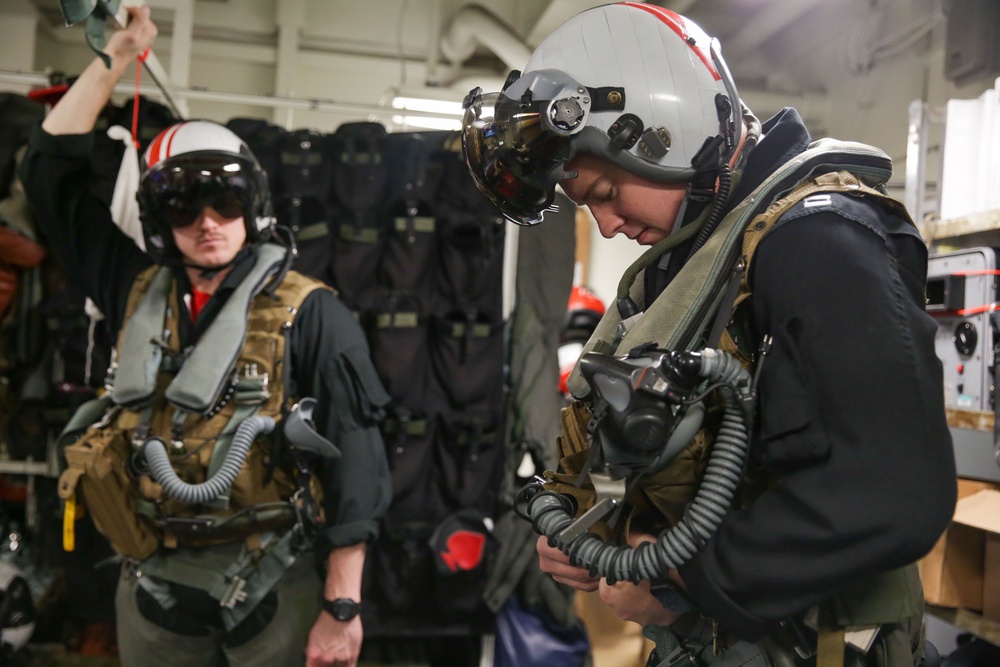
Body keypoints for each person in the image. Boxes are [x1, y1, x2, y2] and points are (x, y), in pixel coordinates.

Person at [462, 3, 956, 666]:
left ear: (665, 128)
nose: (606, 226)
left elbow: (895, 493)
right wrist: (582, 527)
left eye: (606, 189)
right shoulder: (695, 265)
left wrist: (677, 579)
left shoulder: (818, 242)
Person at [19, 7, 391, 667]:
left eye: (226, 201)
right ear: (160, 218)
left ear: (255, 205)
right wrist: (117, 52)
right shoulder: (133, 287)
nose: (208, 222)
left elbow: (358, 462)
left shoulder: (313, 313)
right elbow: (49, 170)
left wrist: (343, 607)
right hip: (154, 589)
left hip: (274, 587)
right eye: (184, 205)